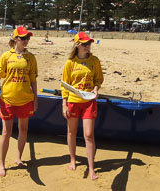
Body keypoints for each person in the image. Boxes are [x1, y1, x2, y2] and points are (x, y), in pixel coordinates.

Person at [0, 27, 38, 177]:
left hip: (25, 100)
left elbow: (33, 80)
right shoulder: (6, 56)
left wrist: (35, 99)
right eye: (23, 38)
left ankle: (18, 158)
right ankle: (2, 164)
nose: (26, 40)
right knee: (6, 133)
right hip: (7, 99)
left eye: (28, 38)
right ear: (15, 39)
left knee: (23, 130)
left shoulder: (31, 57)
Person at [61, 32, 103, 180]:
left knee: (89, 134)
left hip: (89, 102)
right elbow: (65, 85)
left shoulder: (94, 61)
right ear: (77, 45)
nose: (87, 46)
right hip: (73, 101)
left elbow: (98, 79)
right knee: (71, 132)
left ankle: (92, 168)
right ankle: (73, 159)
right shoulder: (70, 63)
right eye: (84, 44)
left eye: (89, 44)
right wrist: (64, 104)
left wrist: (96, 89)